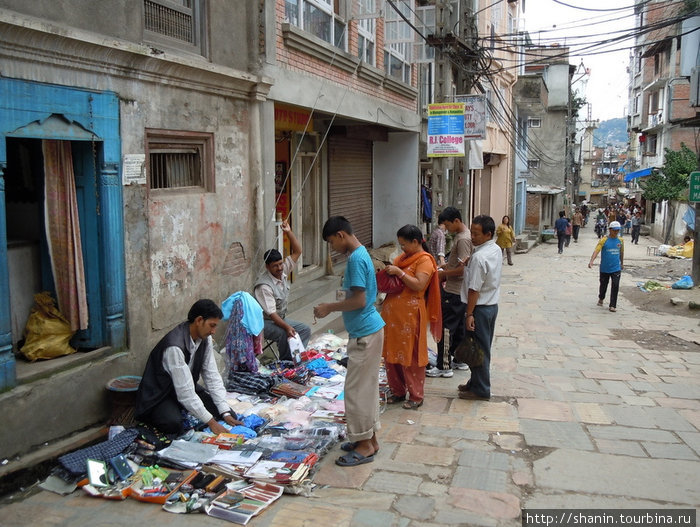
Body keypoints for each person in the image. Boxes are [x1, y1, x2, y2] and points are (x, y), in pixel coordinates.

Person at [313, 216, 385, 467]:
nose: (332, 248)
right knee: (365, 389)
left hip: (365, 333)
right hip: (368, 330)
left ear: (341, 235)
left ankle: (365, 445)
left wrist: (329, 308)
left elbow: (359, 301)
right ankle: (369, 439)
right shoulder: (361, 254)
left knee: (356, 392)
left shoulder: (355, 259)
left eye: (332, 242)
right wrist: (331, 301)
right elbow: (355, 293)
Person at [134, 299, 243, 436]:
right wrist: (211, 423)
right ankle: (166, 413)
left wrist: (224, 412)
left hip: (185, 387)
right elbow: (185, 392)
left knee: (226, 413)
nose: (214, 331)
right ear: (199, 320)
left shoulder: (205, 339)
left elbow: (211, 375)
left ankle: (194, 412)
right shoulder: (174, 347)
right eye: (211, 325)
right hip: (162, 394)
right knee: (173, 423)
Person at [381, 225, 442, 410]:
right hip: (393, 317)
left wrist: (399, 273)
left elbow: (418, 284)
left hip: (411, 316)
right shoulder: (402, 259)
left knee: (412, 356)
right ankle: (398, 391)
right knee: (392, 354)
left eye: (404, 245)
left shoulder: (425, 261)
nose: (402, 249)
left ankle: (416, 395)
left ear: (416, 242)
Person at [458, 215, 502, 400]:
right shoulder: (494, 249)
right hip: (491, 306)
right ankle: (475, 382)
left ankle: (482, 389)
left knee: (480, 349)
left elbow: (474, 289)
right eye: (472, 232)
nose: (472, 237)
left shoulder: (479, 257)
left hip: (479, 308)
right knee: (477, 347)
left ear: (488, 234)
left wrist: (469, 314)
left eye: (476, 234)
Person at [253, 221, 311, 362]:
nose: (279, 268)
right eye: (275, 266)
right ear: (267, 267)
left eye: (280, 264)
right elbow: (272, 314)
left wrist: (288, 232)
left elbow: (298, 251)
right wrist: (287, 327)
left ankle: (296, 357)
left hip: (280, 318)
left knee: (304, 329)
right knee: (285, 332)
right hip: (263, 323)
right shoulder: (264, 286)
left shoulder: (283, 270)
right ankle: (287, 363)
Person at [427, 207, 473, 378]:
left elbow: (463, 270)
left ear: (456, 221)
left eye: (447, 225)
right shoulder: (463, 237)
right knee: (458, 326)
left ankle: (443, 365)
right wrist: (444, 267)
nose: (446, 229)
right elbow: (457, 264)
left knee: (446, 328)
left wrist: (443, 274)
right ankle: (458, 359)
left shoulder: (462, 240)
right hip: (459, 290)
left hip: (454, 290)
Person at [588, 220, 624, 313]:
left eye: (617, 230)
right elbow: (597, 250)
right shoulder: (604, 240)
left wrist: (622, 263)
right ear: (610, 230)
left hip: (616, 268)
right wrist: (592, 261)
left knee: (615, 285)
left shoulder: (620, 240)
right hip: (605, 267)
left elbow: (621, 252)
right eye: (614, 230)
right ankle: (601, 297)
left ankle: (612, 305)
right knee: (603, 285)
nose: (616, 232)